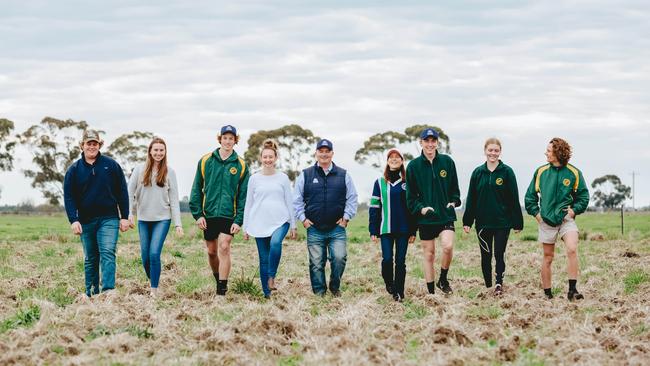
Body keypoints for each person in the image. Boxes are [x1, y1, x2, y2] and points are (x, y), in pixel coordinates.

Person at [63, 129, 130, 297]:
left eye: (95, 144)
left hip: (109, 218)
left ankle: (108, 293)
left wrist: (124, 217)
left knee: (107, 252)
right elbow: (69, 197)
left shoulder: (111, 165)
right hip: (86, 220)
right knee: (91, 258)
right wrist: (73, 220)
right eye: (89, 144)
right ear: (82, 146)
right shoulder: (74, 170)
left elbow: (122, 192)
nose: (92, 147)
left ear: (100, 145)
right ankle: (92, 293)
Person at [525, 137, 589, 300]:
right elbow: (530, 197)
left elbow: (583, 196)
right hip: (546, 221)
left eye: (548, 150)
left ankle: (572, 291)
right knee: (548, 257)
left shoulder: (574, 173)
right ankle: (547, 294)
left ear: (558, 153)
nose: (545, 153)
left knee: (572, 249)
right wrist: (538, 215)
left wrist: (574, 211)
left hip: (566, 220)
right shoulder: (541, 172)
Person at [189, 125, 250, 296]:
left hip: (228, 215)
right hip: (209, 215)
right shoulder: (206, 161)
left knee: (224, 247)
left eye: (231, 138)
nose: (228, 141)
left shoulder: (241, 165)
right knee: (211, 251)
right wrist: (198, 214)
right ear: (220, 139)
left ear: (235, 141)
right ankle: (218, 279)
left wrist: (238, 220)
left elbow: (244, 196)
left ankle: (222, 291)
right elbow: (196, 189)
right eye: (225, 138)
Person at [293, 138, 358, 297]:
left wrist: (346, 218)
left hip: (337, 228)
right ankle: (319, 293)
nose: (324, 154)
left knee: (339, 258)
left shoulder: (343, 175)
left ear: (332, 154)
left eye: (327, 151)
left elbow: (352, 198)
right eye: (320, 151)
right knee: (316, 263)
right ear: (316, 153)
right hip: (314, 228)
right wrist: (303, 219)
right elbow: (296, 200)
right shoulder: (306, 175)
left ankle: (334, 287)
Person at [462, 138, 523, 296]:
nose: (493, 153)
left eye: (496, 150)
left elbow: (513, 197)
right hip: (483, 223)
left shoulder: (507, 172)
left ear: (500, 152)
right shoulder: (477, 173)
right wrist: (467, 221)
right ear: (485, 151)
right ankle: (488, 285)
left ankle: (498, 284)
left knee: (499, 254)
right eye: (490, 150)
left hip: (502, 222)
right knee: (485, 255)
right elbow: (471, 198)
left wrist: (517, 222)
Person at [406, 128, 460, 295]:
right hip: (426, 219)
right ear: (420, 143)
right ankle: (431, 293)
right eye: (426, 141)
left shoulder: (447, 162)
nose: (430, 144)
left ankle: (443, 279)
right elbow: (410, 197)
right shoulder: (413, 166)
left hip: (445, 215)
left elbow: (455, 189)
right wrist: (421, 209)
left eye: (433, 141)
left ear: (437, 143)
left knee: (448, 246)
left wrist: (454, 201)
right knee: (429, 255)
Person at [128, 137, 184, 297]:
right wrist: (129, 213)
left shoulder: (169, 171)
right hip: (144, 219)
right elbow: (129, 192)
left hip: (162, 219)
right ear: (150, 151)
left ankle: (154, 291)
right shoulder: (139, 169)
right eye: (156, 150)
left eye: (161, 150)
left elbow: (174, 199)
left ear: (165, 152)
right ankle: (154, 279)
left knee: (154, 254)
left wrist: (178, 224)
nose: (158, 153)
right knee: (145, 257)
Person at [243, 139, 297, 299]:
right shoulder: (254, 179)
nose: (267, 160)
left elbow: (289, 201)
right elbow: (248, 204)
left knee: (275, 243)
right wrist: (246, 227)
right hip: (259, 222)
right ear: (261, 158)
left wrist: (293, 225)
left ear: (275, 158)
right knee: (263, 259)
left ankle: (271, 277)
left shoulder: (283, 178)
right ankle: (267, 295)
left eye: (270, 157)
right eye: (265, 157)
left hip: (281, 221)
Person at [369, 148, 416, 302]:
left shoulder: (407, 181)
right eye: (391, 157)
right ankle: (389, 283)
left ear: (402, 161)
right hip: (385, 228)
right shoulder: (380, 182)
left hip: (404, 229)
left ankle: (399, 292)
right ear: (387, 161)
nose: (394, 159)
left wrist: (413, 231)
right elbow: (375, 207)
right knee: (387, 259)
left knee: (400, 262)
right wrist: (373, 230)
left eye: (397, 157)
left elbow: (412, 208)